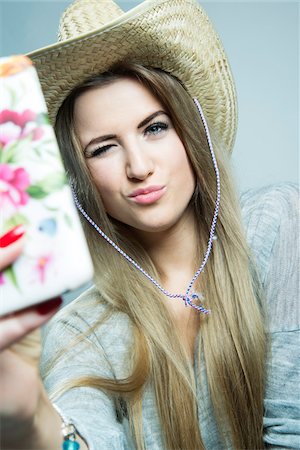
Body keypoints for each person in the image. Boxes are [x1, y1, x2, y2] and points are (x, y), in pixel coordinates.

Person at [1, 0, 299, 449]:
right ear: (80, 176)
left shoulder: (275, 223)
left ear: (189, 129)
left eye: (154, 128)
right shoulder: (81, 331)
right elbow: (79, 437)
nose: (138, 167)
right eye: (103, 148)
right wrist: (30, 423)